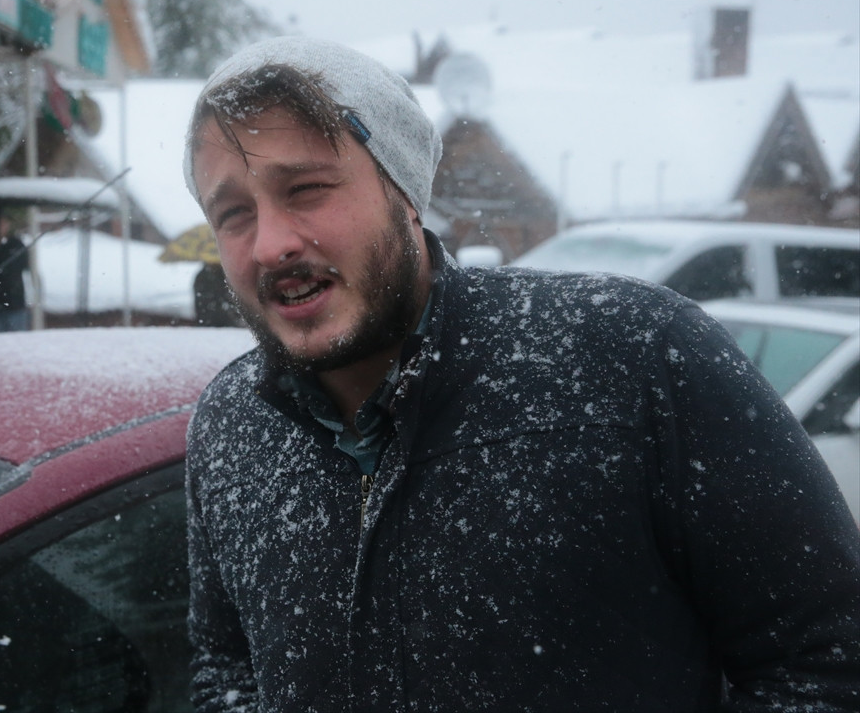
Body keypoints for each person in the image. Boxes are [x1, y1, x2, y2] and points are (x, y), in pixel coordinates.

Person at [181, 37, 860, 712]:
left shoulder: (635, 357)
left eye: (306, 189)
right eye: (233, 214)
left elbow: (828, 664)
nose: (270, 244)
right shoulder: (230, 427)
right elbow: (227, 675)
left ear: (404, 191)